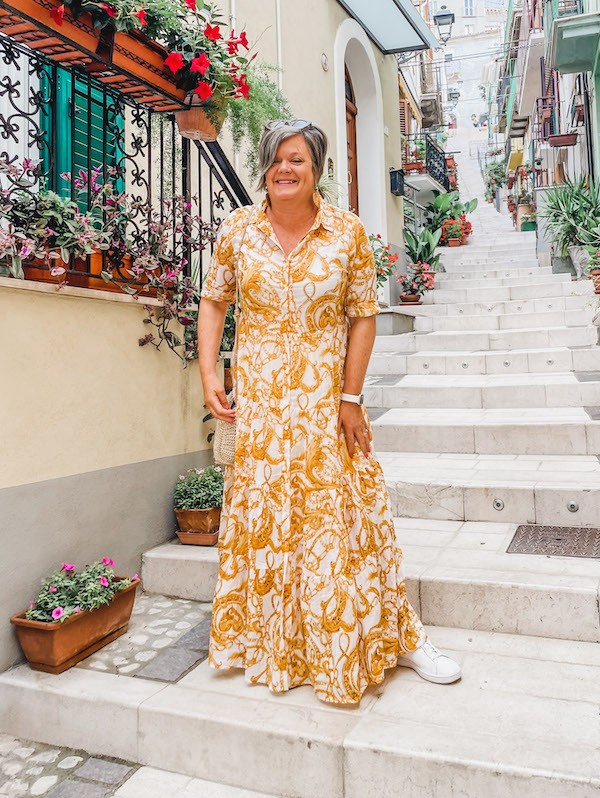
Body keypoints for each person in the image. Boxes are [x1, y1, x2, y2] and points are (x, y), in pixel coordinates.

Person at [197, 119, 461, 704]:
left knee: (349, 522)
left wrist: (350, 398)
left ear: (317, 169)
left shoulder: (347, 233)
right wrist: (211, 372)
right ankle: (284, 645)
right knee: (270, 524)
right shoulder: (238, 230)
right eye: (274, 160)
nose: (284, 170)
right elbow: (214, 301)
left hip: (323, 406)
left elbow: (363, 315)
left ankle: (394, 635)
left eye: (297, 160)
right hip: (262, 410)